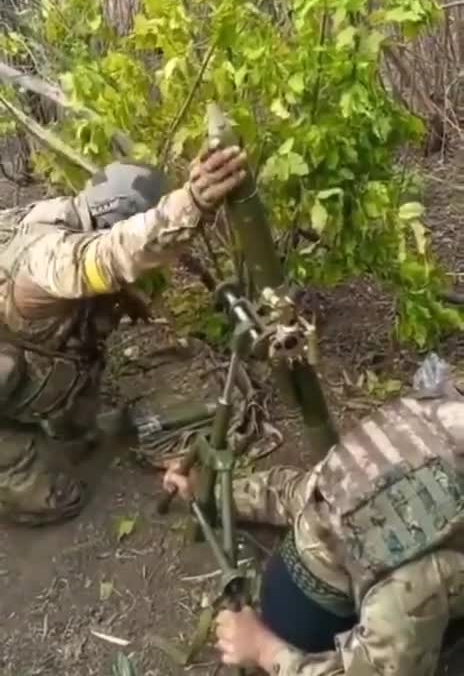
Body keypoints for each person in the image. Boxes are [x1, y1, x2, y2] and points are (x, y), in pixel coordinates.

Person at [0, 143, 246, 525]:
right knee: (60, 499)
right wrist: (190, 203)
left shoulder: (59, 218)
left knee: (80, 421)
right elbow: (103, 257)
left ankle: (46, 423)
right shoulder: (43, 258)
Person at [164, 385, 464, 675]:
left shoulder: (409, 588)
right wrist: (209, 494)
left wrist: (265, 651)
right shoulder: (339, 490)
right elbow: (288, 492)